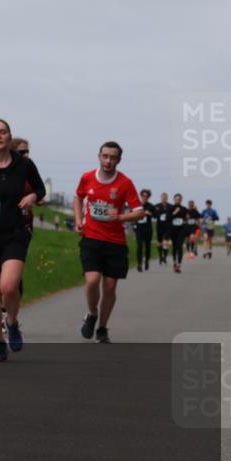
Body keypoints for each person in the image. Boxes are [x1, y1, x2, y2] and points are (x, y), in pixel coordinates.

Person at [0, 119, 45, 361]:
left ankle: (12, 322)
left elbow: (40, 189)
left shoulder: (24, 165)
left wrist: (32, 197)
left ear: (9, 136)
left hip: (15, 232)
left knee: (9, 286)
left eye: (2, 132)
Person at [74, 142, 145, 343]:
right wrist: (79, 220)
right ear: (99, 156)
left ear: (119, 160)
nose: (108, 161)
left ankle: (102, 328)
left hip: (115, 242)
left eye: (113, 157)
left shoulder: (125, 183)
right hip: (91, 238)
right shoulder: (87, 177)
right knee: (92, 280)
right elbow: (78, 198)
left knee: (110, 287)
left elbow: (140, 212)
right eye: (105, 156)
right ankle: (92, 314)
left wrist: (121, 216)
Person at [133, 189, 157, 272]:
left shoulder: (151, 206)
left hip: (148, 229)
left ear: (148, 197)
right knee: (139, 246)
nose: (144, 197)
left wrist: (149, 213)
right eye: (143, 196)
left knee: (147, 247)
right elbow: (132, 216)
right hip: (139, 229)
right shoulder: (137, 206)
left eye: (146, 196)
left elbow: (155, 216)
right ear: (141, 196)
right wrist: (134, 229)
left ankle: (147, 261)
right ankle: (139, 264)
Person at [168, 194, 188, 273]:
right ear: (174, 200)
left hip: (181, 230)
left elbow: (186, 219)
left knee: (180, 246)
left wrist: (186, 219)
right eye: (176, 199)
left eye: (179, 199)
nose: (178, 201)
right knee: (174, 247)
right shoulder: (170, 208)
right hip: (173, 230)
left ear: (181, 200)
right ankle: (174, 262)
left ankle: (179, 264)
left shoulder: (184, 209)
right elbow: (168, 217)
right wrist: (174, 212)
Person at [154, 192, 173, 265]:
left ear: (167, 198)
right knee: (160, 243)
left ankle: (164, 257)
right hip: (159, 226)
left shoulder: (170, 206)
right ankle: (160, 257)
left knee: (165, 242)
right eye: (163, 198)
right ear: (161, 198)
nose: (164, 199)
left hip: (167, 227)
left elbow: (174, 214)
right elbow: (153, 215)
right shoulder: (157, 206)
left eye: (165, 198)